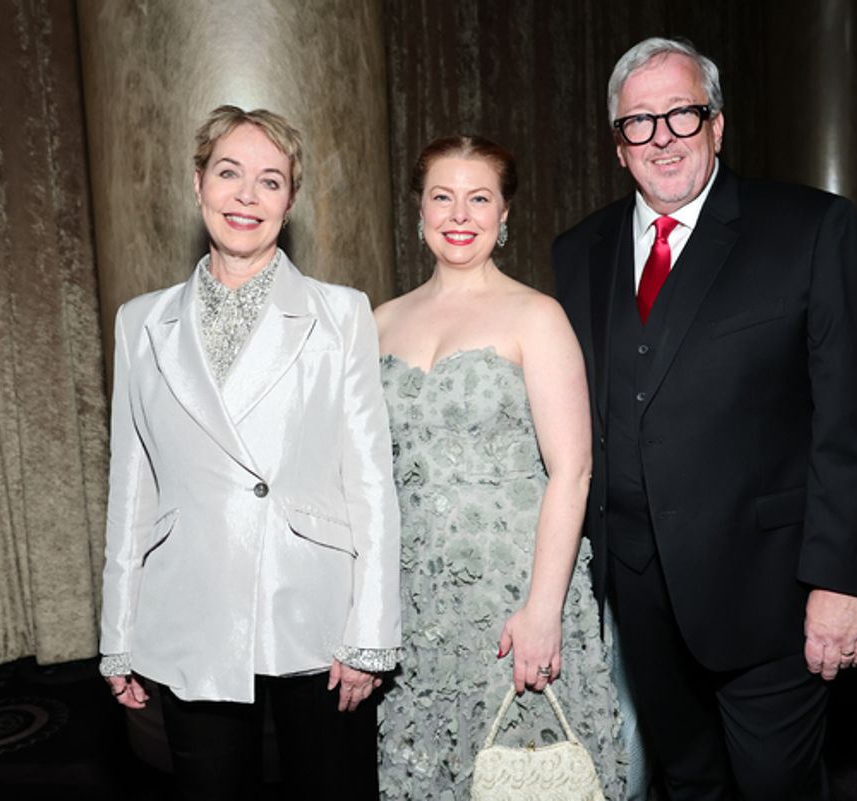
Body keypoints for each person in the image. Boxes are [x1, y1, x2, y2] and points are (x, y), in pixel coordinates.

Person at [552, 38, 857, 801]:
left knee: (776, 786)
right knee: (687, 780)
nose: (662, 136)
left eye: (682, 113)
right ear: (617, 147)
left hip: (770, 593)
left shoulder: (810, 229)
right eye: (639, 122)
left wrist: (841, 581)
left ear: (717, 126)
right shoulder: (577, 252)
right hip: (635, 594)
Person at [97, 105, 401, 800]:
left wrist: (371, 631)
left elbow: (371, 481)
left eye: (270, 181)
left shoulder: (339, 312)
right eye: (229, 173)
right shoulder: (141, 322)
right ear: (197, 183)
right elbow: (132, 485)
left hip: (316, 609)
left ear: (290, 201)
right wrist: (119, 630)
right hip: (191, 608)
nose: (246, 196)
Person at [374, 136, 626, 799]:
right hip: (412, 606)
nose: (461, 214)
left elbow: (572, 471)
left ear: (505, 212)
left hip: (511, 598)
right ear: (419, 211)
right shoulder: (378, 323)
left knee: (523, 777)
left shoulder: (536, 317)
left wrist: (542, 609)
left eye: (479, 197)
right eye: (443, 197)